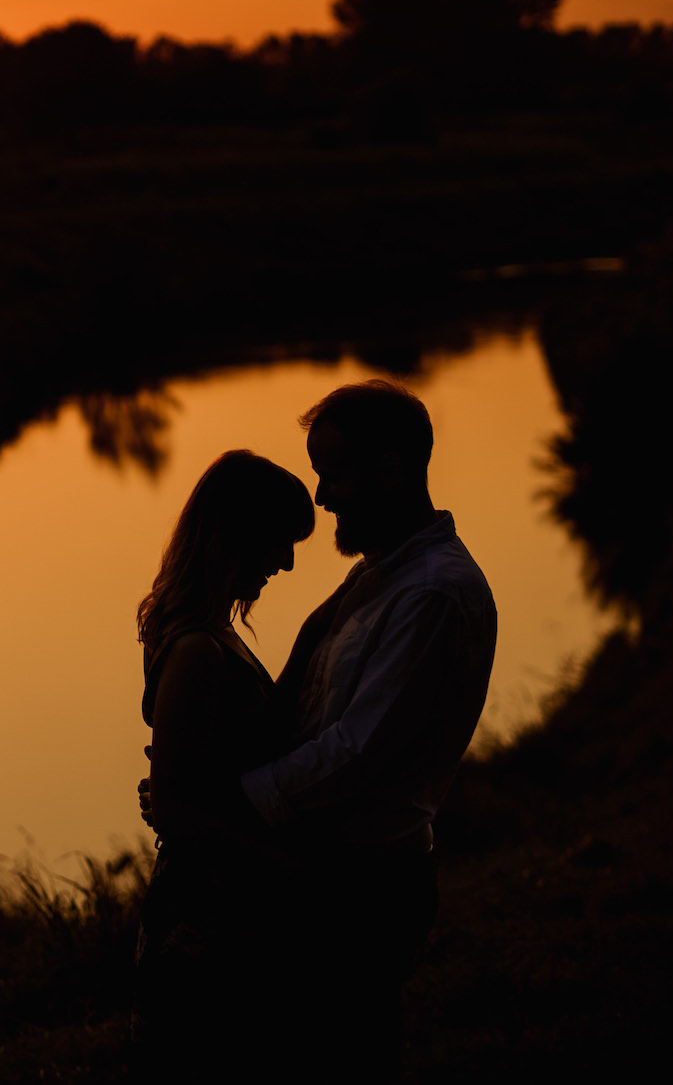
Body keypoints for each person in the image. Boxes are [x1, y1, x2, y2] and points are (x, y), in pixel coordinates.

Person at [138, 380, 498, 1079]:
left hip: (363, 878)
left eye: (331, 472)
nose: (324, 495)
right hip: (311, 877)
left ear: (389, 469)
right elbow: (298, 720)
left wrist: (218, 801)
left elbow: (353, 752)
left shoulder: (428, 592)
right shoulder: (375, 582)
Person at [131, 448, 316, 1078]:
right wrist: (294, 871)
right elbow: (180, 808)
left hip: (227, 911)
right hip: (205, 924)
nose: (286, 562)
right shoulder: (197, 652)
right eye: (277, 542)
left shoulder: (209, 635)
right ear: (237, 537)